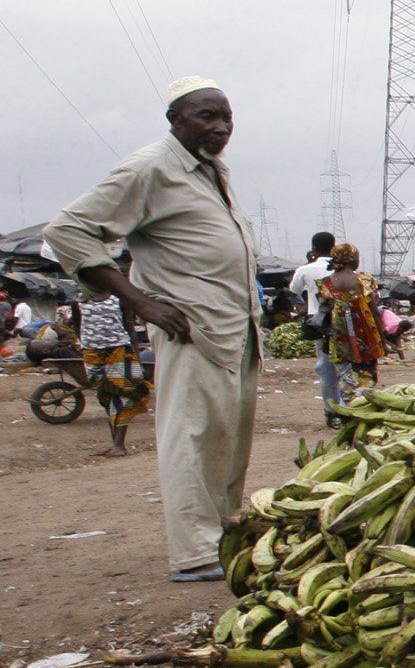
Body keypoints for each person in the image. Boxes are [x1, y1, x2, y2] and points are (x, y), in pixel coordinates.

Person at [45, 77, 260, 582]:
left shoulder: (210, 171)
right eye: (206, 116)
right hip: (192, 326)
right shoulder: (150, 168)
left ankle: (221, 535)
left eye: (226, 117)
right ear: (175, 120)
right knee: (193, 435)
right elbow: (68, 230)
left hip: (234, 329)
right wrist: (140, 301)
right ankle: (194, 552)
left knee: (227, 438)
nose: (220, 126)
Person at [78, 269, 149, 458]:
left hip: (119, 349)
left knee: (123, 396)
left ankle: (119, 444)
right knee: (105, 396)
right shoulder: (79, 299)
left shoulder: (119, 297)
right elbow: (79, 327)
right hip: (92, 351)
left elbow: (129, 327)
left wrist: (137, 357)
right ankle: (114, 443)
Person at [319, 243, 385, 402]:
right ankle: (362, 409)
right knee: (365, 378)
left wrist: (326, 343)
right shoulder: (364, 280)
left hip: (339, 339)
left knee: (346, 379)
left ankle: (347, 411)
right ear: (352, 260)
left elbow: (324, 314)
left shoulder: (326, 283)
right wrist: (382, 340)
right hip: (366, 337)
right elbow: (374, 312)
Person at [289, 231, 342, 422]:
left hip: (318, 320)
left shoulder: (306, 270)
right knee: (345, 366)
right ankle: (346, 408)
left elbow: (293, 291)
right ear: (333, 246)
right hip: (342, 319)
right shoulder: (342, 268)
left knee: (326, 365)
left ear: (313, 248)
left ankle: (331, 410)